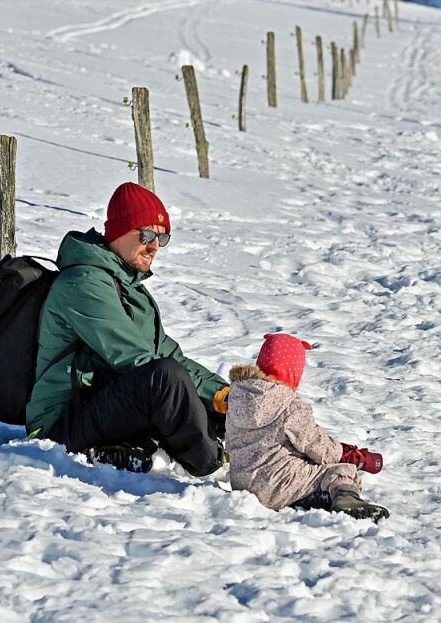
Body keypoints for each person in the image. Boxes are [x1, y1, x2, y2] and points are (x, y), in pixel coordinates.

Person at [25, 182, 230, 476]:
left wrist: (225, 395)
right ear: (119, 231)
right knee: (165, 378)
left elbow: (171, 356)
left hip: (100, 406)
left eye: (162, 237)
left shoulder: (128, 287)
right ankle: (215, 465)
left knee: (206, 393)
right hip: (58, 425)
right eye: (147, 234)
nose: (155, 246)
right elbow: (136, 360)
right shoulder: (84, 284)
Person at [226, 333, 389, 521]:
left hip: (242, 484)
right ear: (294, 371)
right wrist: (345, 454)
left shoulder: (238, 397)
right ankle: (346, 500)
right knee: (340, 471)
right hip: (277, 486)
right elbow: (317, 445)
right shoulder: (288, 404)